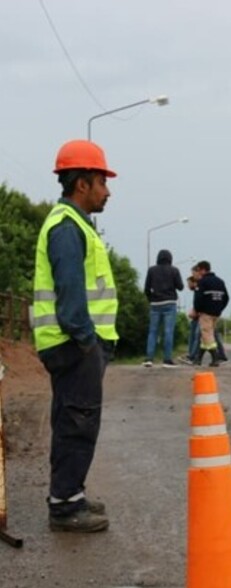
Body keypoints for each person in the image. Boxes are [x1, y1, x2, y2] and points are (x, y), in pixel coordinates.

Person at [32, 139, 119, 533]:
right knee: (77, 421)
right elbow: (70, 297)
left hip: (72, 344)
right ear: (82, 183)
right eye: (102, 181)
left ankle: (69, 494)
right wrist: (87, 342)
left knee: (71, 417)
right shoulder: (67, 228)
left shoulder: (74, 225)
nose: (107, 190)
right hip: (74, 344)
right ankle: (65, 506)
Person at [143, 248, 183, 368]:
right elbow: (180, 287)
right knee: (168, 332)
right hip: (169, 303)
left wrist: (151, 299)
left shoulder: (151, 270)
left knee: (153, 331)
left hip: (155, 304)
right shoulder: (174, 270)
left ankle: (149, 359)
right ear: (170, 259)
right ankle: (167, 360)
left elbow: (146, 288)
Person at [193, 260, 229, 367]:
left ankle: (215, 358)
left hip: (206, 313)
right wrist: (220, 308)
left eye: (198, 270)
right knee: (206, 334)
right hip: (216, 313)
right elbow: (226, 298)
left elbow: (198, 299)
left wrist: (197, 310)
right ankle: (198, 359)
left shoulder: (202, 282)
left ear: (203, 270)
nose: (198, 273)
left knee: (207, 334)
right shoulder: (220, 281)